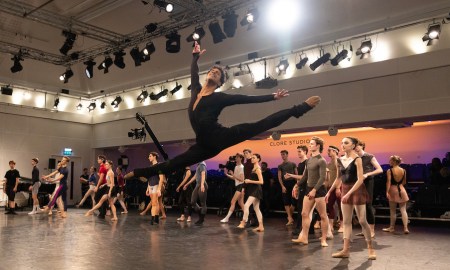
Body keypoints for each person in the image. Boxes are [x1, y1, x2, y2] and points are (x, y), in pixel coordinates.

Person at [124, 41, 320, 182]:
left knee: (260, 125)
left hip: (221, 137)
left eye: (217, 74)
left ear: (219, 83)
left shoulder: (220, 98)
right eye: (212, 71)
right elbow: (193, 72)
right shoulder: (196, 91)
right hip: (203, 145)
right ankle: (144, 172)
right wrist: (194, 57)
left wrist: (272, 97)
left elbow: (245, 99)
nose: (213, 73)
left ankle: (299, 109)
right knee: (175, 163)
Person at [325, 137, 376, 260]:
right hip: (346, 189)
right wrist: (330, 192)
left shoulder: (357, 159)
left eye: (346, 143)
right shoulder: (339, 160)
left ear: (353, 145)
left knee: (362, 220)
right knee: (347, 222)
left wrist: (348, 193)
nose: (343, 145)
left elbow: (360, 179)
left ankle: (370, 248)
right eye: (342, 143)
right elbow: (338, 178)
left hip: (357, 189)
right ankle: (345, 250)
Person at [290, 137, 329, 247]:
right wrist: (296, 185)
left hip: (319, 190)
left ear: (318, 146)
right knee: (304, 213)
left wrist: (314, 190)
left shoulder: (321, 160)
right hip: (308, 188)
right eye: (310, 143)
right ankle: (304, 238)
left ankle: (324, 239)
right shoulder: (310, 160)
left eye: (312, 144)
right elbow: (305, 176)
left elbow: (322, 178)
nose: (310, 145)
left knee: (323, 215)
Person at [355, 141, 383, 238]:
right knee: (359, 206)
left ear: (362, 146)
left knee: (367, 205)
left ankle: (371, 230)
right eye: (355, 146)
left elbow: (380, 169)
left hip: (367, 182)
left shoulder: (369, 156)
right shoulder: (354, 157)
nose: (356, 147)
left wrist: (367, 174)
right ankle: (363, 230)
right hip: (357, 182)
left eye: (358, 145)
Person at [290, 145, 315, 237]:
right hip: (302, 187)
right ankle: (310, 229)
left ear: (305, 151)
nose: (298, 153)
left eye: (300, 151)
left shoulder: (307, 162)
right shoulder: (300, 163)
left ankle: (299, 228)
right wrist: (296, 186)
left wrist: (292, 176)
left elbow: (304, 177)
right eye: (297, 151)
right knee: (304, 209)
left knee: (303, 209)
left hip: (306, 188)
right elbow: (301, 177)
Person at [238, 153, 264, 232]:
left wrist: (249, 181)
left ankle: (243, 222)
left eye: (254, 158)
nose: (252, 159)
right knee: (256, 208)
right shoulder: (254, 168)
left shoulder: (257, 169)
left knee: (246, 205)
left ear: (258, 159)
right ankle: (261, 226)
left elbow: (261, 182)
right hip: (253, 189)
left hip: (256, 190)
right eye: (252, 158)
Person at [383, 155, 410, 234]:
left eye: (390, 160)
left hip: (393, 189)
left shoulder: (389, 170)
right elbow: (404, 182)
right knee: (403, 210)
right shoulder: (403, 170)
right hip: (402, 189)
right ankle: (405, 228)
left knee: (393, 211)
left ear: (394, 161)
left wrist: (387, 191)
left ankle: (391, 227)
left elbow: (389, 182)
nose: (389, 162)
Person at [140, 152, 166, 224]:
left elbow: (161, 178)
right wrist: (147, 189)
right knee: (156, 203)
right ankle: (156, 218)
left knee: (154, 203)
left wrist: (159, 189)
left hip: (156, 185)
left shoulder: (159, 166)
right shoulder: (150, 167)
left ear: (154, 157)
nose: (149, 158)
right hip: (150, 186)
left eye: (150, 156)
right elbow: (149, 179)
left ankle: (152, 219)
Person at [221, 153, 245, 223]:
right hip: (238, 186)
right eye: (236, 157)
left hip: (241, 186)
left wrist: (233, 174)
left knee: (233, 202)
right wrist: (227, 174)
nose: (236, 158)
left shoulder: (241, 167)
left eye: (237, 157)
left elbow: (242, 179)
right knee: (241, 203)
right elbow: (235, 178)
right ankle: (247, 217)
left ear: (241, 158)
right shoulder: (236, 167)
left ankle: (227, 218)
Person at [278, 150, 298, 226]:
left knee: (294, 202)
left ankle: (289, 217)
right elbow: (279, 177)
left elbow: (296, 174)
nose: (282, 156)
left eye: (283, 154)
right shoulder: (280, 165)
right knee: (286, 201)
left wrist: (297, 185)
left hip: (293, 183)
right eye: (281, 154)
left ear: (287, 155)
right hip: (285, 184)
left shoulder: (293, 164)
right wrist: (282, 186)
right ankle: (290, 218)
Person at [325, 146, 342, 233]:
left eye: (329, 151)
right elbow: (328, 178)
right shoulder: (328, 163)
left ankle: (342, 226)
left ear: (335, 151)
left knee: (340, 206)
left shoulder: (338, 161)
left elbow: (340, 176)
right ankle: (331, 225)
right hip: (331, 187)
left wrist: (338, 187)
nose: (328, 152)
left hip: (338, 187)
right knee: (329, 205)